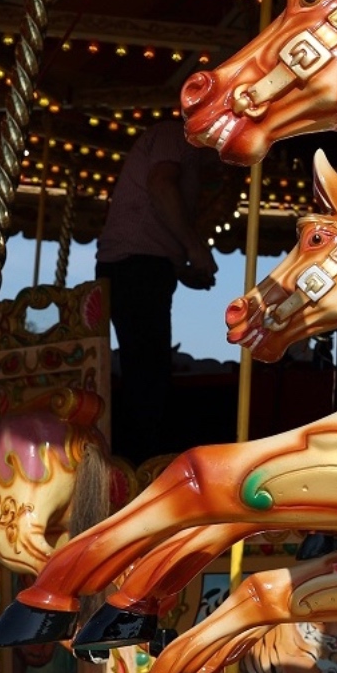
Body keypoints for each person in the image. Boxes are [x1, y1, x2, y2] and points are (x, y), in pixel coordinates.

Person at [95, 118, 223, 464]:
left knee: (147, 370)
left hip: (145, 265)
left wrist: (181, 264)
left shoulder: (189, 154)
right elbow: (161, 185)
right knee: (147, 376)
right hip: (134, 264)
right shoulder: (176, 135)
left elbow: (159, 220)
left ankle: (138, 459)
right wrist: (194, 248)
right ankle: (138, 465)